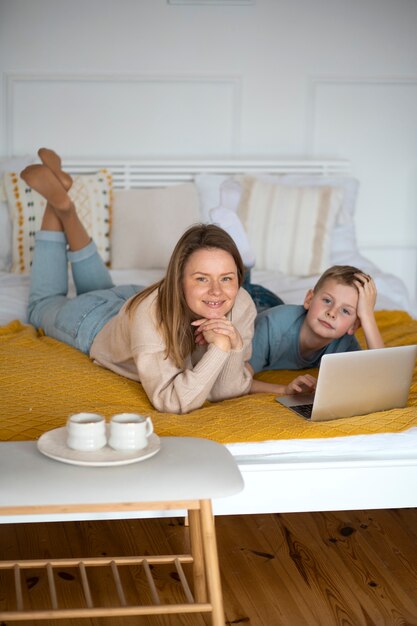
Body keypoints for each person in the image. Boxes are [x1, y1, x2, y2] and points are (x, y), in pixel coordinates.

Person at [21, 148, 261, 414]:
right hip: (94, 320)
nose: (217, 291)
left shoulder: (242, 304)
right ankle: (59, 207)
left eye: (226, 278)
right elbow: (172, 401)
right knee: (41, 305)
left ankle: (64, 206)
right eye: (202, 278)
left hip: (127, 302)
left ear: (239, 277)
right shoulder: (152, 315)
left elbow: (223, 392)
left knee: (102, 290)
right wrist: (223, 349)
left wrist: (228, 345)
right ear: (177, 279)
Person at [248, 265, 385, 396]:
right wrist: (284, 390)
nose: (332, 313)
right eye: (327, 300)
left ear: (354, 326)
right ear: (309, 299)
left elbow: (381, 379)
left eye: (345, 310)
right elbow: (235, 381)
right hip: (259, 300)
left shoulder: (344, 343)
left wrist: (367, 316)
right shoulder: (270, 326)